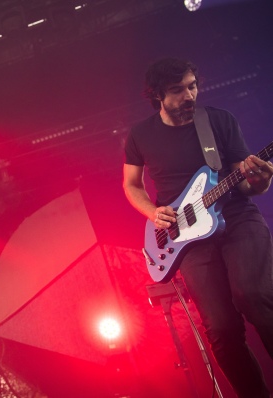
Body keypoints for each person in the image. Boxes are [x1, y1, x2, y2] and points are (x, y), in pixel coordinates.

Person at [123, 58, 273, 397]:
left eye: (192, 85)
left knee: (255, 295)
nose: (189, 95)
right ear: (157, 95)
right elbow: (132, 185)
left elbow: (246, 184)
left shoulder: (218, 120)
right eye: (178, 90)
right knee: (220, 328)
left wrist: (261, 182)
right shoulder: (140, 135)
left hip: (235, 218)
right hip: (186, 238)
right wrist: (154, 212)